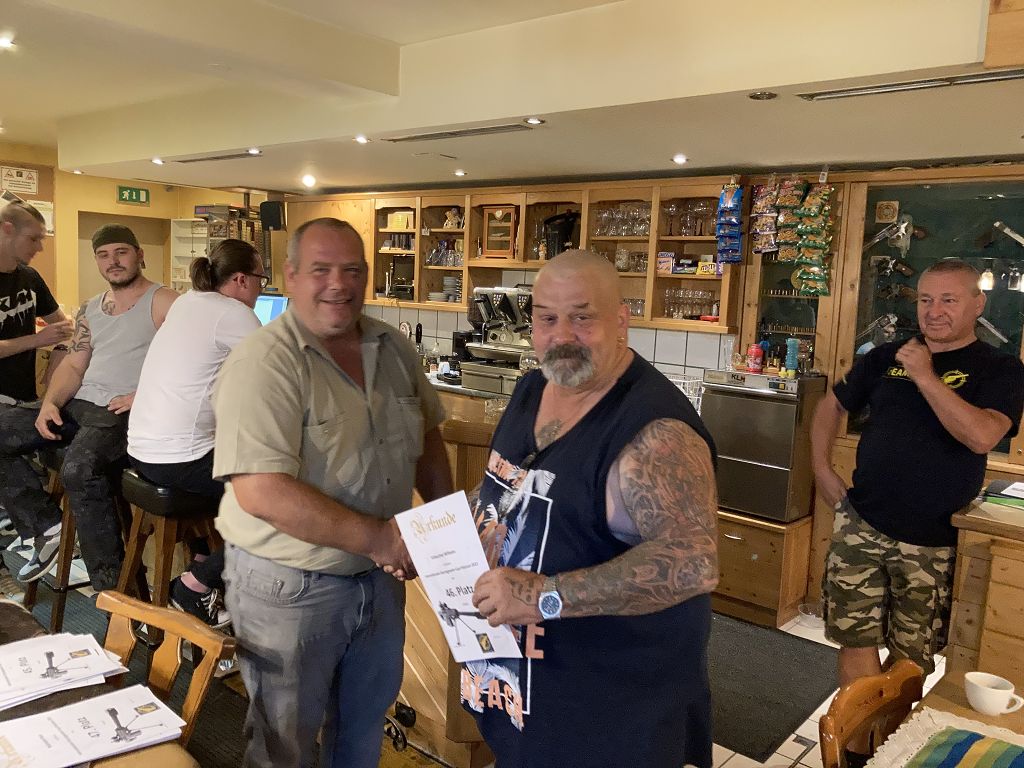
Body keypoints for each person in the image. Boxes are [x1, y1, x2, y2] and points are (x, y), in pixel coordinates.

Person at [212, 217, 453, 768]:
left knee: (361, 735)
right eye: (321, 270)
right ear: (291, 277)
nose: (338, 284)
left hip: (379, 582)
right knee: (283, 748)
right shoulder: (263, 361)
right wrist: (381, 540)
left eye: (352, 270)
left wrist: (442, 532)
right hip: (289, 587)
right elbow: (261, 490)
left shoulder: (392, 346)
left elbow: (428, 439)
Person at [463, 250, 719, 768]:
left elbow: (693, 562)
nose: (562, 336)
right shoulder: (533, 388)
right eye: (546, 318)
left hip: (610, 718)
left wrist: (544, 597)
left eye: (582, 318)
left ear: (621, 320)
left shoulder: (655, 431)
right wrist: (443, 535)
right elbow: (507, 487)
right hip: (526, 699)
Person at [811, 259, 1024, 762]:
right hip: (862, 523)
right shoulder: (886, 356)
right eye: (926, 299)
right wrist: (820, 467)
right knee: (855, 640)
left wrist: (926, 375)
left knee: (912, 660)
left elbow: (982, 436)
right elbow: (831, 406)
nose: (934, 311)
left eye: (949, 300)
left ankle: (894, 751)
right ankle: (857, 755)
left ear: (978, 304)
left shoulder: (1001, 369)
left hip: (935, 540)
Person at [0, 223, 177, 587]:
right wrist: (50, 403)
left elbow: (191, 362)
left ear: (139, 255)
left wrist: (146, 395)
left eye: (121, 252)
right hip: (80, 406)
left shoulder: (166, 302)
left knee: (79, 470)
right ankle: (46, 528)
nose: (113, 261)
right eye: (103, 255)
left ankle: (114, 594)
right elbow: (75, 365)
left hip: (121, 412)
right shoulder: (91, 309)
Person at [128, 239, 266, 628]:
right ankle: (195, 585)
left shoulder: (188, 302)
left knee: (233, 478)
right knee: (273, 499)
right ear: (241, 279)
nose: (261, 287)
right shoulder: (235, 314)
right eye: (260, 278)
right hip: (178, 458)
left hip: (142, 451)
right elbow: (280, 375)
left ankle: (204, 555)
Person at [0, 201, 73, 542]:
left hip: (27, 401)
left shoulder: (29, 278)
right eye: (34, 239)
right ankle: (44, 526)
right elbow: (42, 336)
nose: (40, 247)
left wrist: (60, 347)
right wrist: (38, 339)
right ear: (7, 229)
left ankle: (41, 526)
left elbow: (63, 326)